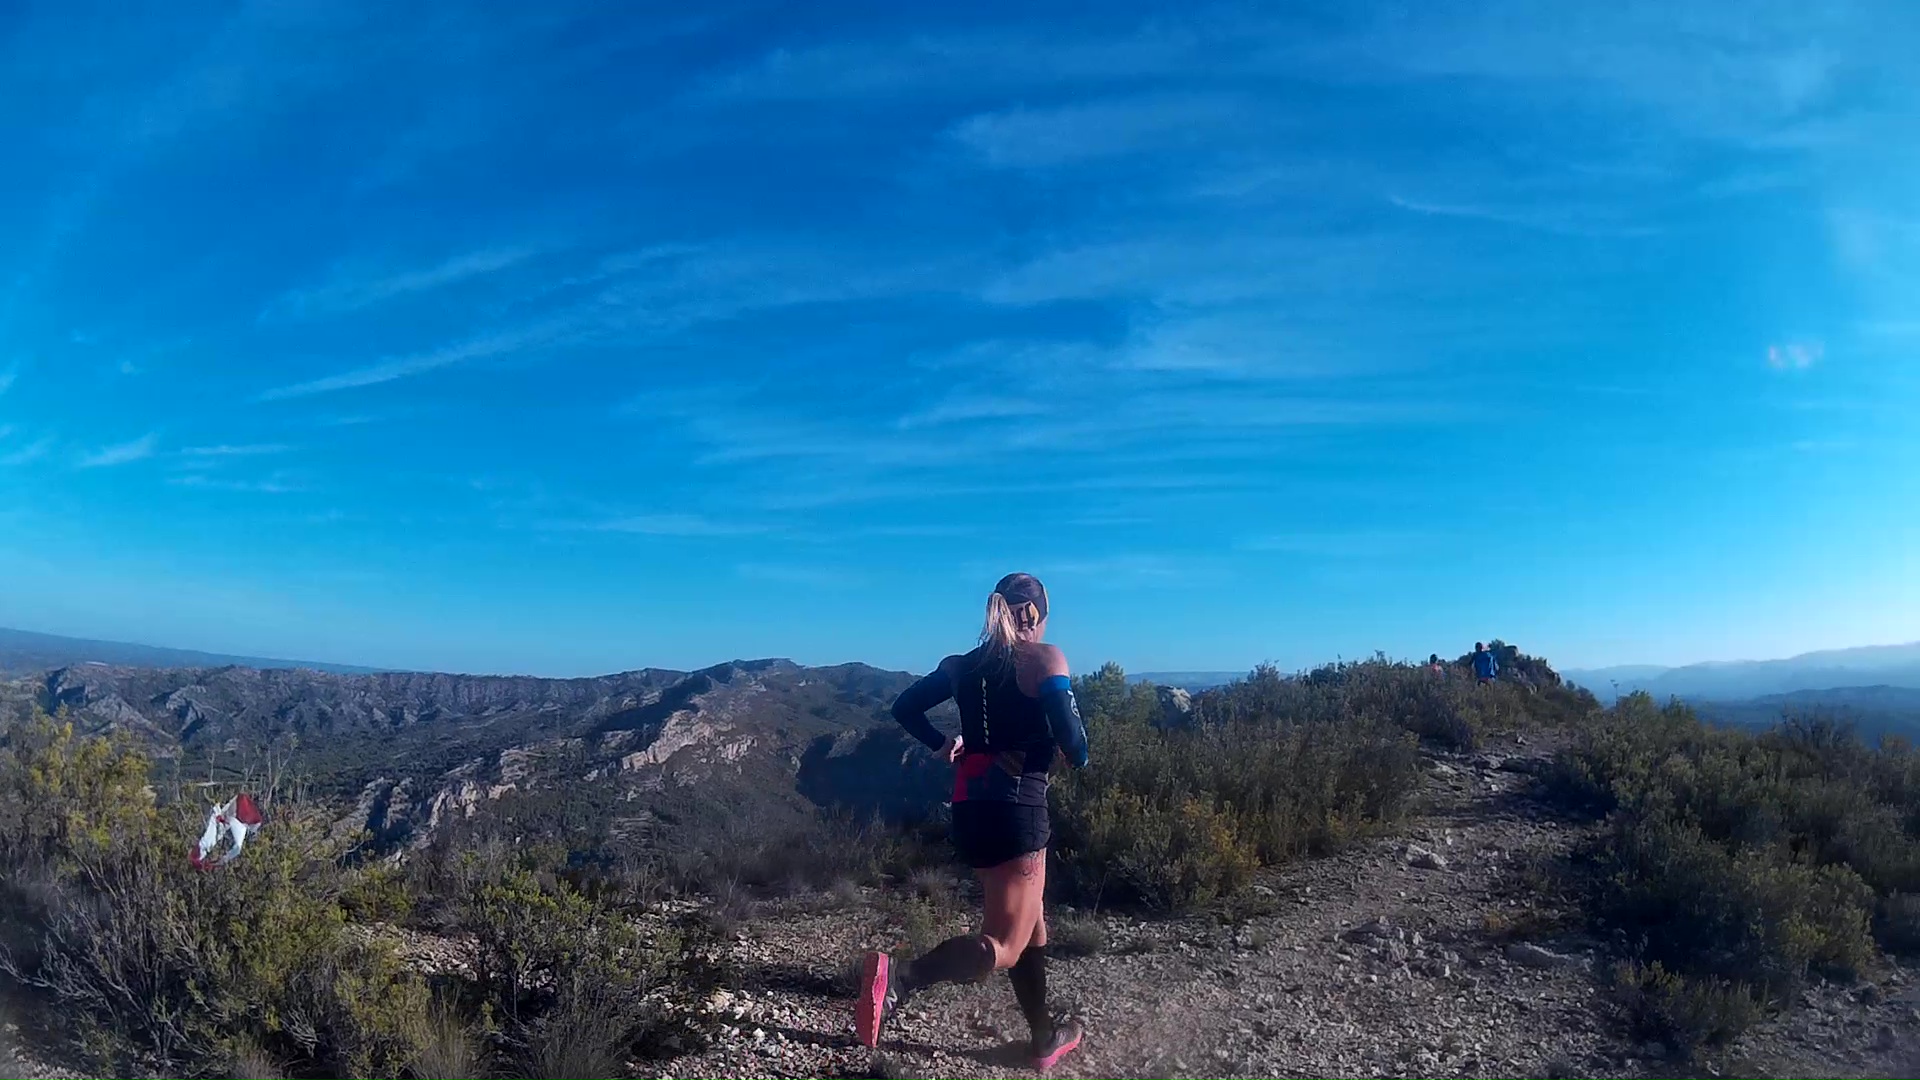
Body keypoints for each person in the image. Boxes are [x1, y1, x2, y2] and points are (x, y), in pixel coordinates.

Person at [856, 572, 1089, 1071]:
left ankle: (1043, 1038)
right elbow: (1074, 741)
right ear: (1037, 614)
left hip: (970, 804)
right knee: (1006, 943)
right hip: (1019, 808)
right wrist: (1074, 755)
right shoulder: (1045, 659)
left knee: (1031, 922)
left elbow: (905, 707)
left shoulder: (961, 665)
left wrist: (943, 745)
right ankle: (904, 977)